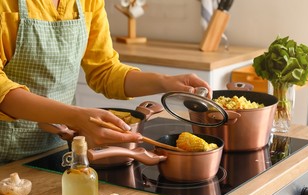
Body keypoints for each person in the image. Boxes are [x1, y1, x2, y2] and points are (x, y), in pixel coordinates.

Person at [0, 0, 212, 164]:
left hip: (58, 148)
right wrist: (76, 117)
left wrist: (165, 82)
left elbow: (105, 70)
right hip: (5, 157)